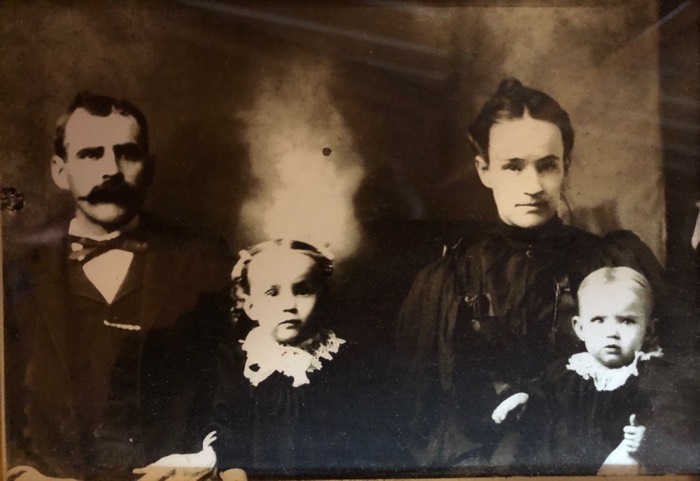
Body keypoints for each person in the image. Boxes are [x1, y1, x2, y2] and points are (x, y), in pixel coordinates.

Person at [393, 78, 667, 471]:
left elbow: (672, 379)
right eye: (513, 166)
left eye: (547, 165)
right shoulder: (450, 279)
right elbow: (421, 415)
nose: (534, 185)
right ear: (485, 170)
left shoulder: (609, 262)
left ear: (565, 167)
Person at [4, 92, 231, 481]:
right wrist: (17, 471)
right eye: (91, 154)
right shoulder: (14, 273)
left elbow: (246, 393)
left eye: (127, 153)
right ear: (60, 170)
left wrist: (206, 459)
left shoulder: (207, 262)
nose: (111, 169)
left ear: (150, 168)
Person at [491, 267, 659, 475]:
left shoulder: (649, 378)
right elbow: (542, 398)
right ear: (580, 329)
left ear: (648, 330)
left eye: (627, 321)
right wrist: (524, 398)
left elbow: (669, 420)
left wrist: (647, 436)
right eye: (599, 320)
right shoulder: (566, 371)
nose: (612, 332)